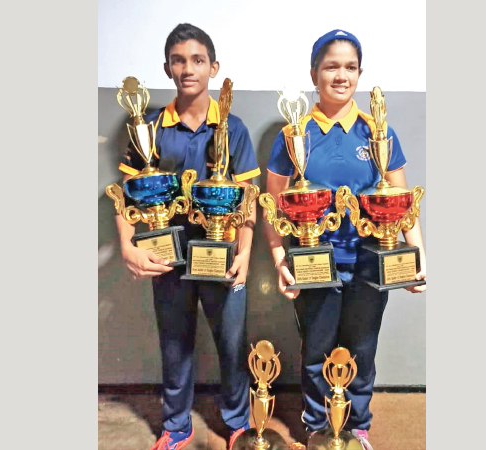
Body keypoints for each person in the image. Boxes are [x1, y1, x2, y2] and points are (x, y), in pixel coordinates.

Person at [262, 29, 427, 450]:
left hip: (369, 262)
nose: (341, 76)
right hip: (314, 261)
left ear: (360, 74)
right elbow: (273, 205)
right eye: (331, 66)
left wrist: (417, 256)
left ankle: (358, 426)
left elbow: (402, 202)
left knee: (362, 350)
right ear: (313, 74)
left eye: (350, 67)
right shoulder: (294, 134)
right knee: (316, 350)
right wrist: (280, 258)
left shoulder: (378, 131)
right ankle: (318, 426)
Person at [116, 23, 260, 450]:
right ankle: (176, 426)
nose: (188, 69)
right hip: (168, 257)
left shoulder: (233, 128)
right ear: (167, 68)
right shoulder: (150, 128)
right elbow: (127, 195)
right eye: (178, 61)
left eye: (198, 60)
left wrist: (245, 253)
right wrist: (126, 247)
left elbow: (248, 198)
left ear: (213, 67)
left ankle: (237, 423)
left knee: (232, 345)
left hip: (222, 254)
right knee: (175, 345)